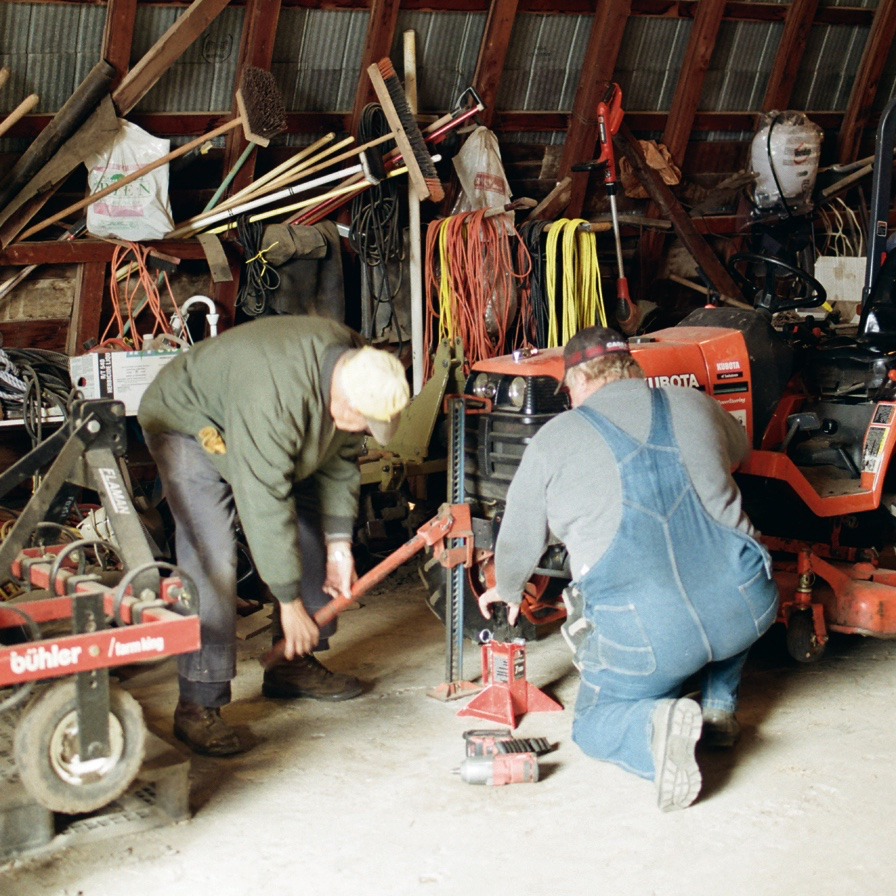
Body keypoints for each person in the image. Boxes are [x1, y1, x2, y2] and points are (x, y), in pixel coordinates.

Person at [477, 326, 779, 811]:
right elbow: (739, 451)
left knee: (596, 719)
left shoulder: (555, 439)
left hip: (652, 637)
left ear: (575, 382)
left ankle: (654, 733)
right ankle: (719, 707)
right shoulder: (694, 402)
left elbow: (519, 534)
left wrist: (508, 588)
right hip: (748, 605)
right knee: (722, 582)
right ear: (632, 369)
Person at [137, 315, 410, 756]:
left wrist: (340, 544)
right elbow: (264, 502)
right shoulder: (274, 399)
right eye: (363, 422)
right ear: (342, 398)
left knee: (313, 533)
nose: (363, 432)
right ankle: (197, 703)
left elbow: (340, 461)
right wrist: (288, 602)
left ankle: (292, 664)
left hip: (264, 425)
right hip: (190, 421)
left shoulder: (359, 364)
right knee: (213, 554)